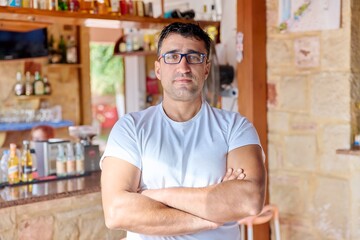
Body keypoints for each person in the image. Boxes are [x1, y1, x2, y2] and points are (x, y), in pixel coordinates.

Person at [100, 22, 266, 240]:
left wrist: (153, 195)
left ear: (206, 68)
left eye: (194, 57)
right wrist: (209, 216)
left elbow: (249, 200)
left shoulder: (235, 128)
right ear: (158, 68)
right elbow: (117, 212)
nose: (183, 67)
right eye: (172, 56)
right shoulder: (131, 128)